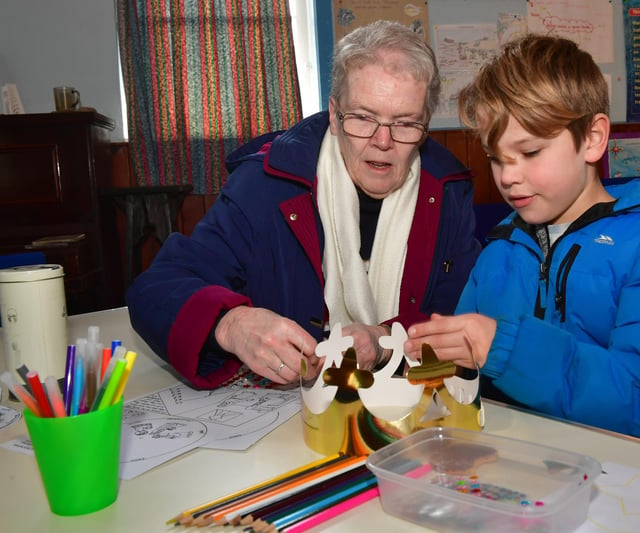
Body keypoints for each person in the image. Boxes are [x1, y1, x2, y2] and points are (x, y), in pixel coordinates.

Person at [404, 34, 640, 462]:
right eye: (496, 157)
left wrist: (504, 348)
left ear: (593, 138)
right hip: (532, 465)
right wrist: (404, 350)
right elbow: (463, 372)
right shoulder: (499, 253)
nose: (508, 177)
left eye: (529, 152)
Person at [125, 20, 482, 389]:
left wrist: (386, 341)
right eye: (362, 117)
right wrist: (229, 324)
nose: (382, 141)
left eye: (405, 123)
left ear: (425, 126)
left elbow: (465, 315)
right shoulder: (266, 184)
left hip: (404, 406)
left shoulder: (449, 192)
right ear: (333, 113)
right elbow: (156, 288)